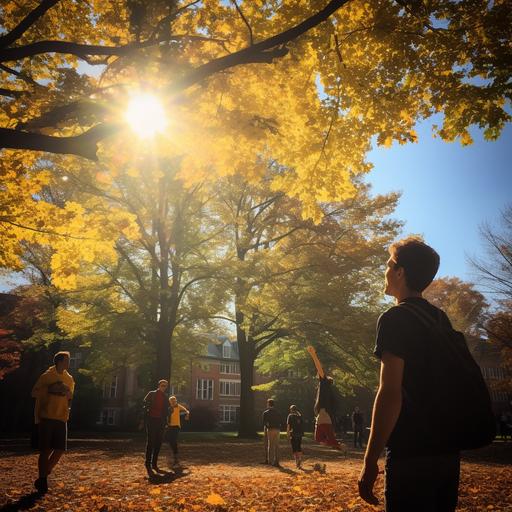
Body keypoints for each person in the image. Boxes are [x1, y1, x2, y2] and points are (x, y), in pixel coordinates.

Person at [358, 237, 461, 511]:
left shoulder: (394, 318)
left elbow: (390, 393)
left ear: (400, 272)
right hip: (448, 451)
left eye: (389, 264)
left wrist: (370, 461)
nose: (385, 270)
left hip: (411, 451)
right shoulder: (440, 319)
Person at [31, 351, 75, 493]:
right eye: (67, 360)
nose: (69, 362)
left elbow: (70, 397)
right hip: (46, 417)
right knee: (45, 450)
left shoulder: (69, 379)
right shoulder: (47, 376)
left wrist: (68, 394)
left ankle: (45, 473)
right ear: (60, 361)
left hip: (61, 418)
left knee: (60, 450)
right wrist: (50, 389)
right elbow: (34, 393)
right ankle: (42, 480)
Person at [307, 346, 344, 450]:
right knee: (319, 438)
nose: (318, 373)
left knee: (320, 438)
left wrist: (313, 354)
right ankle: (336, 444)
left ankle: (337, 444)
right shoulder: (326, 387)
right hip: (323, 414)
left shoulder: (324, 383)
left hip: (323, 414)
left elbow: (319, 367)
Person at [143, 379, 170, 473]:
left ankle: (154, 464)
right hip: (151, 420)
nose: (163, 387)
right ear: (158, 385)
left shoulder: (166, 397)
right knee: (151, 441)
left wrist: (167, 421)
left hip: (161, 421)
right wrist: (147, 410)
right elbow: (144, 403)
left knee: (158, 443)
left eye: (165, 386)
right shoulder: (152, 393)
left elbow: (167, 410)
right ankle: (147, 463)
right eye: (162, 385)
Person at [167, 395, 189, 467]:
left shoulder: (178, 406)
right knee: (170, 441)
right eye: (172, 401)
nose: (173, 402)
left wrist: (187, 415)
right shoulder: (169, 408)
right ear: (170, 402)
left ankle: (176, 460)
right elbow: (166, 417)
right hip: (169, 426)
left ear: (176, 401)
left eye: (174, 401)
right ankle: (174, 457)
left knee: (173, 441)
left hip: (176, 426)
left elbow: (186, 410)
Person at [262, 398, 282, 466]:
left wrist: (266, 430)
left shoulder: (266, 413)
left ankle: (270, 461)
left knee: (270, 445)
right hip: (277, 430)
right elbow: (280, 421)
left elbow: (265, 423)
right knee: (276, 446)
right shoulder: (278, 412)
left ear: (268, 404)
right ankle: (277, 461)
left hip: (270, 429)